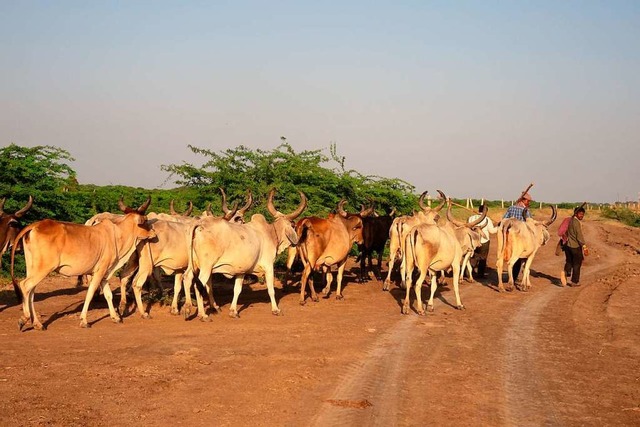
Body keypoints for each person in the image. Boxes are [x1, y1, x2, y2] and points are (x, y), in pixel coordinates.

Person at [502, 192, 533, 282]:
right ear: (523, 200)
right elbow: (529, 223)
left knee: (508, 253)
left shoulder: (511, 208)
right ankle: (513, 278)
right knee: (518, 257)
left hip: (508, 234)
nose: (529, 203)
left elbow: (504, 219)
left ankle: (511, 276)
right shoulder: (526, 211)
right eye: (528, 201)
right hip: (520, 237)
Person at [468, 204, 497, 278]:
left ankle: (468, 273)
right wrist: (499, 227)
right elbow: (492, 231)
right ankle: (480, 275)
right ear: (485, 211)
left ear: (479, 210)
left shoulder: (471, 218)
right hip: (484, 241)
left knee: (472, 257)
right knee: (483, 258)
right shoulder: (487, 219)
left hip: (472, 241)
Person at [561, 207, 587, 287]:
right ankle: (574, 282)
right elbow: (579, 236)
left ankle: (566, 271)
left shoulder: (569, 220)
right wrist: (584, 246)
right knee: (577, 264)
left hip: (567, 246)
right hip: (575, 246)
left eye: (583, 214)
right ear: (576, 214)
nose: (581, 216)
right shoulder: (576, 222)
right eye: (580, 214)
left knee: (569, 261)